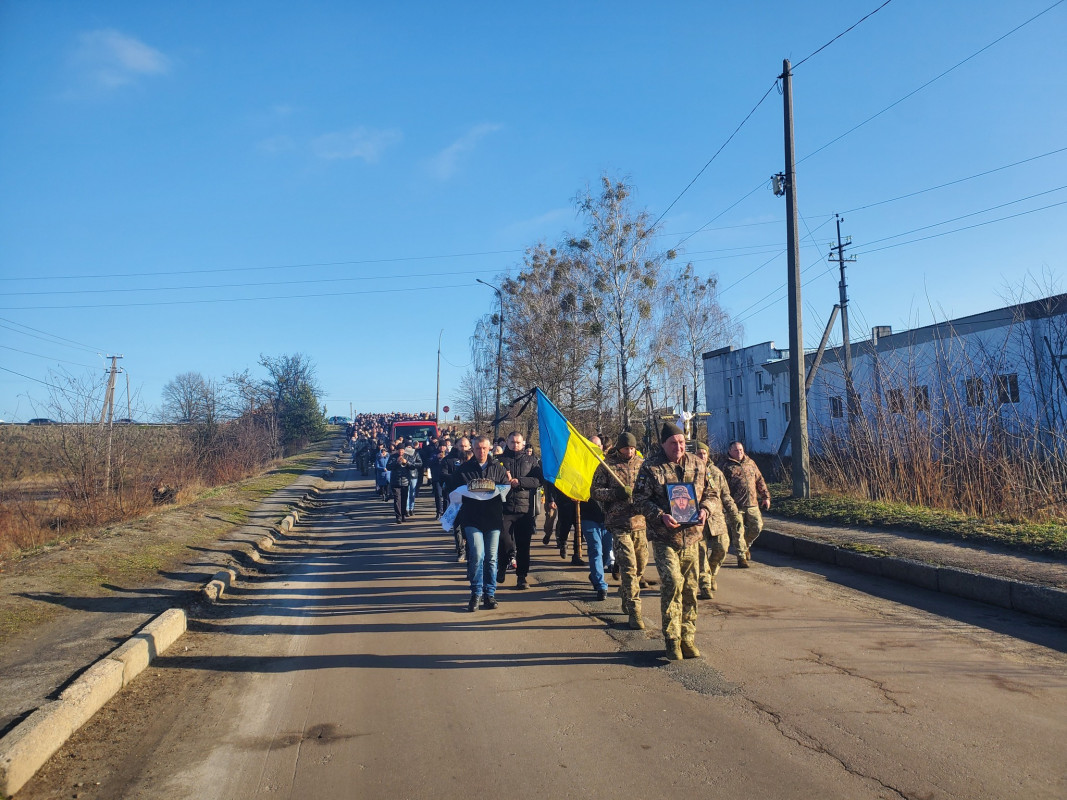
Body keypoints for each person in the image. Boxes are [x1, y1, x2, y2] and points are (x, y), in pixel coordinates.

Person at [633, 422, 739, 661]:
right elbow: (638, 498)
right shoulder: (650, 467)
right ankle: (671, 639)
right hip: (665, 536)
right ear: (663, 444)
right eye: (673, 443)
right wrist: (660, 516)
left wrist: (706, 510)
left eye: (681, 442)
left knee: (690, 588)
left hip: (692, 537)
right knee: (672, 582)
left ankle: (687, 637)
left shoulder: (698, 464)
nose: (678, 447)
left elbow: (713, 493)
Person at [591, 431, 647, 627]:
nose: (629, 452)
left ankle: (625, 591)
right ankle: (634, 611)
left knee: (640, 564)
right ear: (619, 447)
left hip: (640, 521)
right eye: (626, 448)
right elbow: (595, 491)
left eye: (632, 448)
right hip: (618, 522)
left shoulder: (642, 465)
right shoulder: (607, 465)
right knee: (629, 566)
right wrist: (616, 493)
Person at [448, 436, 510, 611]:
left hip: (493, 519)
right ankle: (476, 593)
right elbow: (451, 490)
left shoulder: (498, 469)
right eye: (478, 448)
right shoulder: (464, 470)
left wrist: (501, 490)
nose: (481, 452)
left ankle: (490, 594)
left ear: (489, 448)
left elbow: (506, 490)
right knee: (477, 555)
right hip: (472, 518)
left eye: (484, 448)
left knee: (491, 558)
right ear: (473, 450)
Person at [497, 431, 544, 590]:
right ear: (507, 443)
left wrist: (520, 482)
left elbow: (538, 480)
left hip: (525, 509)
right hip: (505, 508)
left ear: (523, 443)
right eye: (512, 442)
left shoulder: (531, 461)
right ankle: (502, 566)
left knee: (524, 545)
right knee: (504, 540)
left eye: (518, 442)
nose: (515, 445)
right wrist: (505, 481)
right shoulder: (499, 461)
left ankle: (522, 577)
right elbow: (492, 480)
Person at [717, 440, 771, 568]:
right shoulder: (724, 466)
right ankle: (741, 557)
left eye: (741, 450)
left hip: (752, 503)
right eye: (736, 450)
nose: (739, 452)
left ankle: (745, 546)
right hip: (735, 506)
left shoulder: (750, 463)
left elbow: (759, 480)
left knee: (757, 527)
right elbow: (719, 486)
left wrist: (765, 497)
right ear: (730, 451)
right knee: (738, 531)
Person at [694, 441, 733, 598]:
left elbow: (725, 495)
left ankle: (711, 575)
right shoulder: (689, 471)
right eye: (699, 454)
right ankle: (704, 585)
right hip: (697, 519)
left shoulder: (716, 473)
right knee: (701, 553)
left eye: (704, 453)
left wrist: (734, 512)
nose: (702, 456)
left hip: (716, 518)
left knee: (722, 548)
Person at [386, 446, 417, 523]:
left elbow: (413, 466)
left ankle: (403, 515)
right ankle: (398, 516)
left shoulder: (407, 456)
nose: (401, 452)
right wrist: (396, 463)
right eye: (399, 450)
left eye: (402, 450)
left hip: (405, 481)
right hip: (395, 481)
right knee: (397, 500)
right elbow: (388, 467)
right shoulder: (393, 456)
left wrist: (406, 462)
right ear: (397, 450)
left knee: (404, 499)